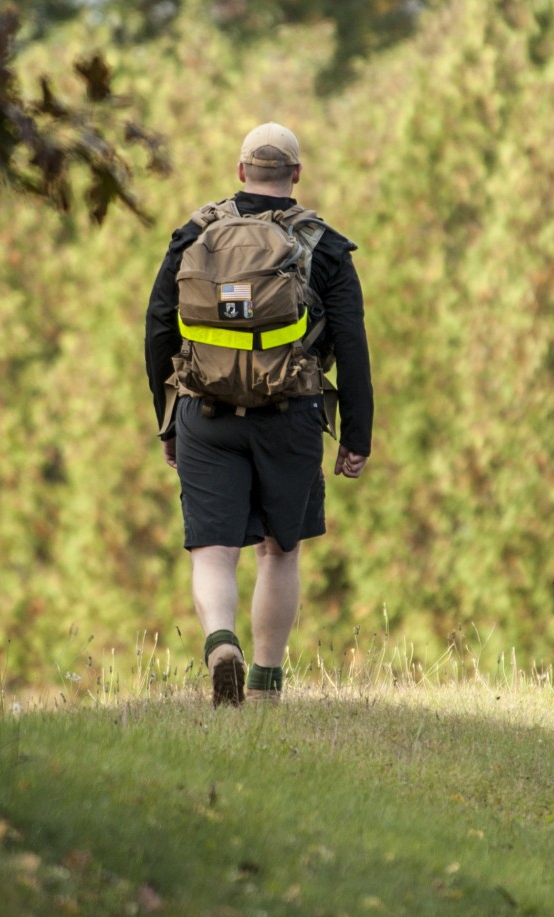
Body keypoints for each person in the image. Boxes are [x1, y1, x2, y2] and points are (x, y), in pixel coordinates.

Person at [145, 122, 373, 706]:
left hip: (205, 411)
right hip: (290, 414)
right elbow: (351, 345)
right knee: (279, 548)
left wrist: (167, 419)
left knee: (214, 551)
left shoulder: (193, 236)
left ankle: (222, 642)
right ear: (295, 175)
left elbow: (157, 331)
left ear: (241, 170)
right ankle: (267, 685)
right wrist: (356, 437)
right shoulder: (324, 246)